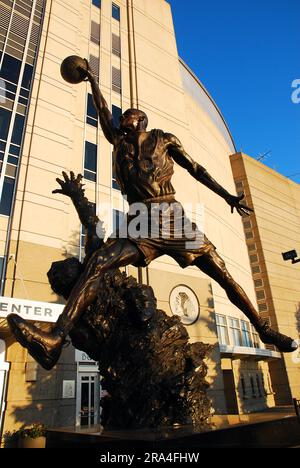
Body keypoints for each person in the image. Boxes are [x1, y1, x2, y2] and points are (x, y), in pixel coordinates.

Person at [7, 61, 297, 370]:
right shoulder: (118, 141)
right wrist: (91, 78)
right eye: (122, 116)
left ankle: (265, 331)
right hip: (140, 219)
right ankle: (55, 337)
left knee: (222, 273)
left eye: (129, 114)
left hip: (171, 215)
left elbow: (196, 169)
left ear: (141, 120)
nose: (122, 117)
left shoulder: (165, 139)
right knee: (99, 262)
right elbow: (102, 111)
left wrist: (226, 195)